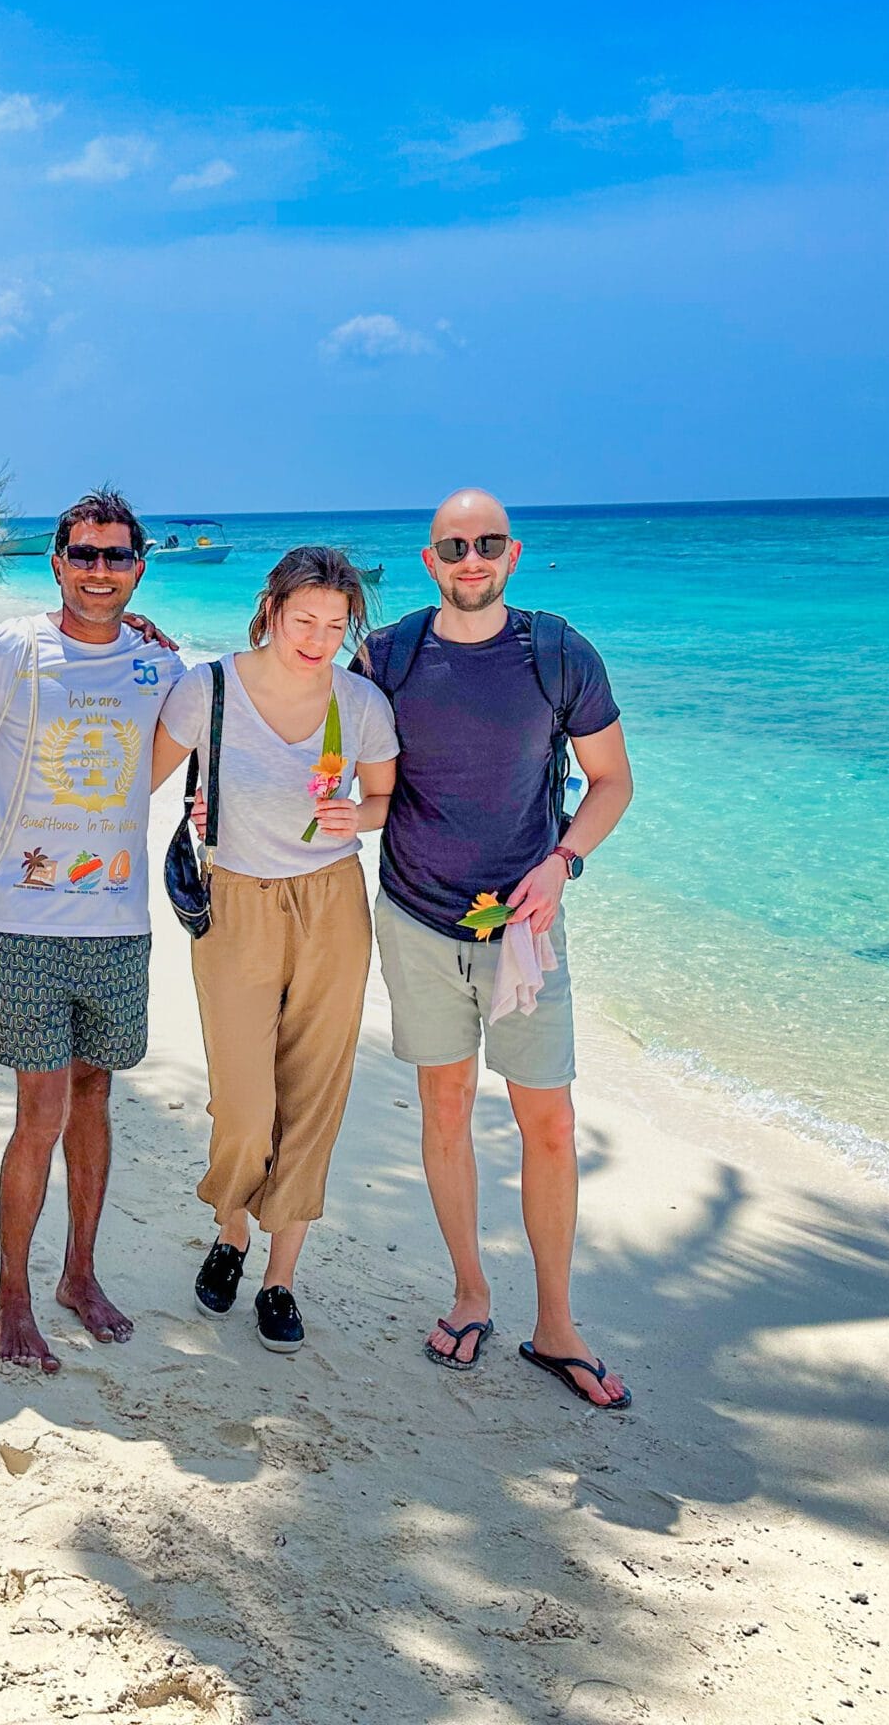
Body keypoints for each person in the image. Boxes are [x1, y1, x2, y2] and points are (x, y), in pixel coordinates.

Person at [357, 488, 637, 1409]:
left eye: (486, 545)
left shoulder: (556, 652)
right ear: (430, 559)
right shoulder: (391, 655)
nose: (469, 560)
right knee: (445, 1111)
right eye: (452, 546)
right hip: (416, 917)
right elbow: (309, 717)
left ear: (512, 554)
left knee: (548, 1125)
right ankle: (471, 1292)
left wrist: (564, 861)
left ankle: (555, 1324)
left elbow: (609, 783)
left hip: (526, 928)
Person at [0, 488, 186, 1372]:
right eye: (83, 554)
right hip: (23, 920)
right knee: (40, 1109)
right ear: (57, 562)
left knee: (96, 1097)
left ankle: (79, 1274)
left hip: (118, 921)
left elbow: (261, 695)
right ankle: (13, 1293)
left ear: (140, 567)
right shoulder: (8, 650)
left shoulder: (164, 670)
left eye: (117, 556)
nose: (99, 570)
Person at [152, 547, 397, 1352]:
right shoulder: (209, 688)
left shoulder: (358, 702)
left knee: (313, 1096)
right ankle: (230, 1229)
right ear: (271, 608)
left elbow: (387, 798)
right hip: (235, 902)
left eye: (336, 625)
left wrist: (354, 819)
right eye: (304, 620)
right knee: (246, 1099)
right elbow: (132, 779)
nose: (319, 638)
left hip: (332, 905)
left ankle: (280, 1275)